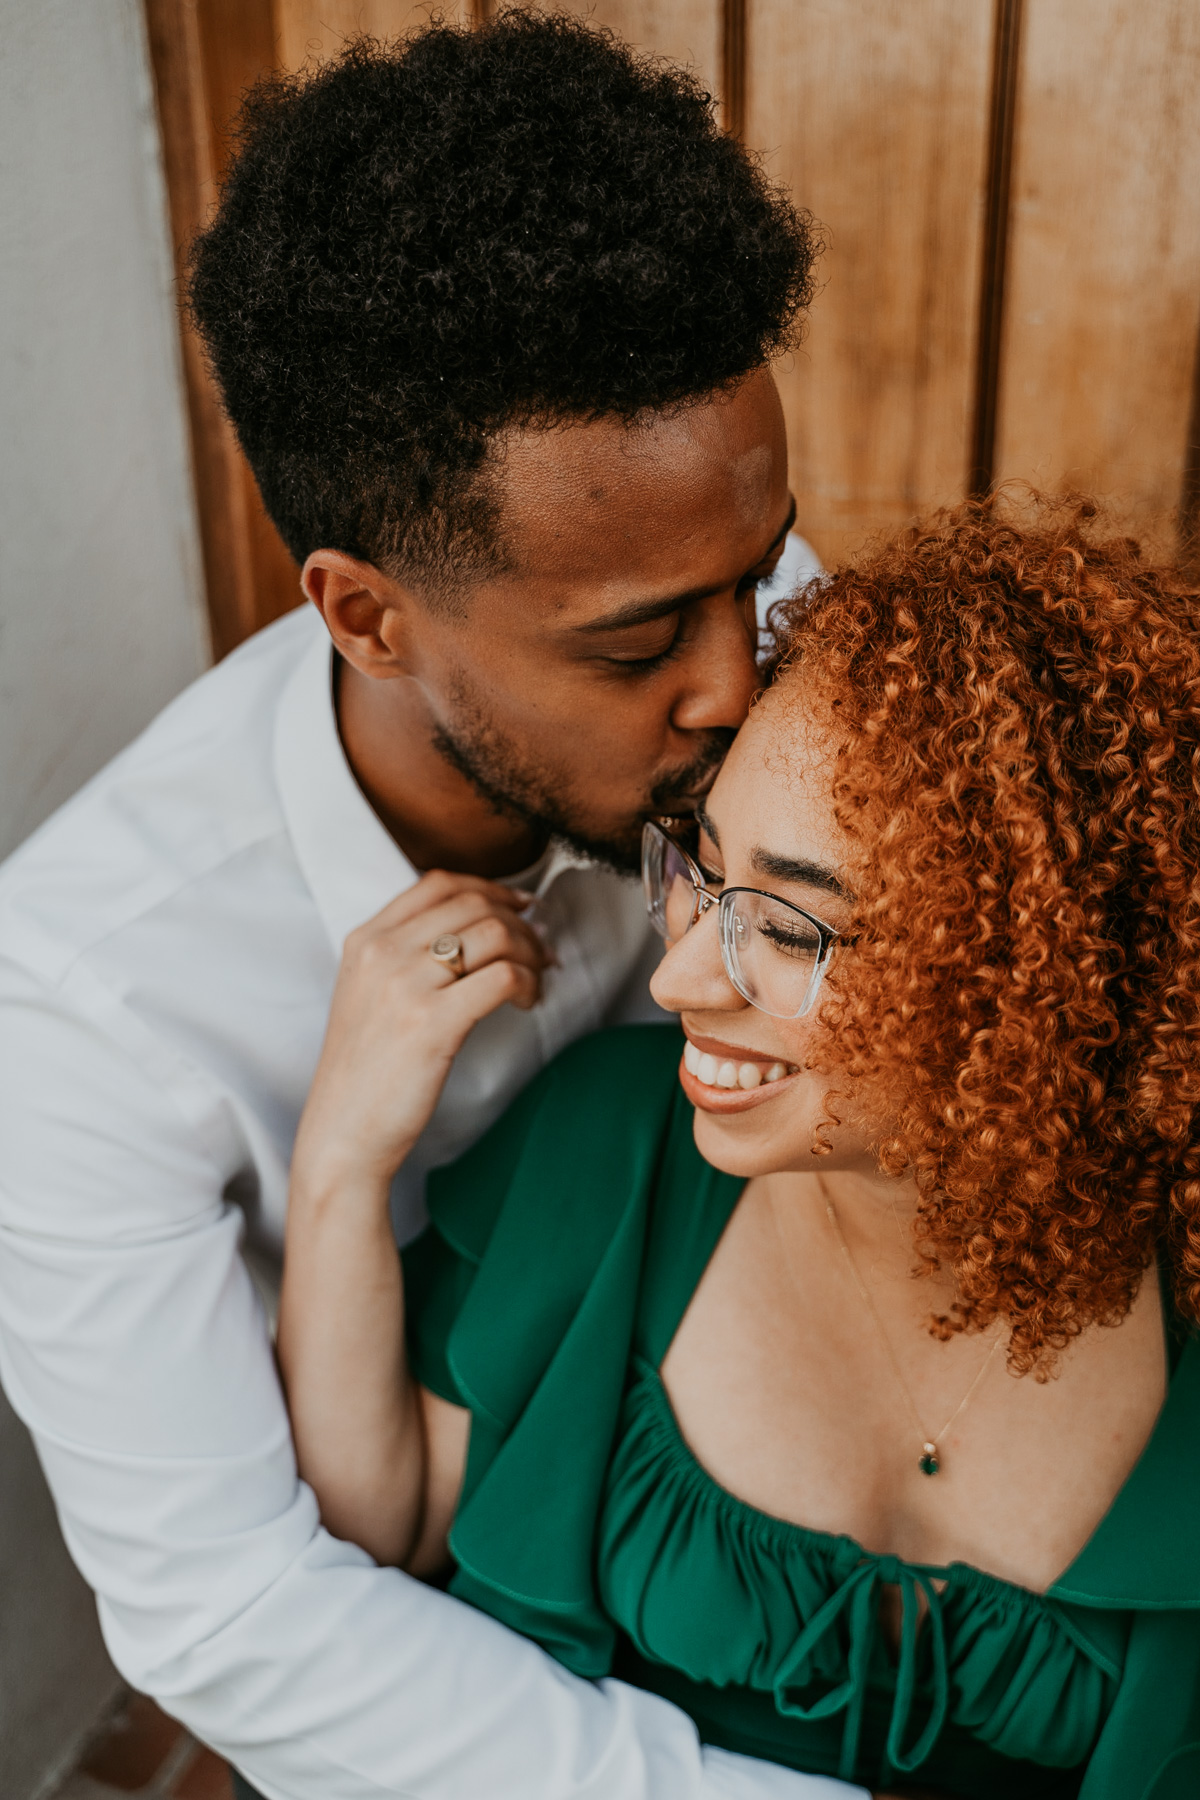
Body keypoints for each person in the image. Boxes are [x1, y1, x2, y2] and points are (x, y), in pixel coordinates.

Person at [0, 15, 854, 1800]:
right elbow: (238, 1612)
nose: (741, 683)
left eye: (760, 569)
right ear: (366, 616)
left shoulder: (765, 652)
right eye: (637, 642)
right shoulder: (73, 1011)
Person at [277, 501, 1200, 1800]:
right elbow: (387, 1524)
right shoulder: (607, 1144)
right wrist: (339, 1170)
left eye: (790, 926)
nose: (678, 976)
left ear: (1028, 985)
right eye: (702, 873)